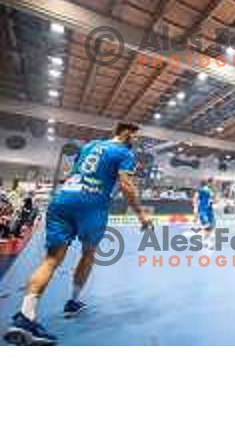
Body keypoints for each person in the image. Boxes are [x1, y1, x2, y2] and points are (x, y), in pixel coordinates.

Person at [4, 122, 152, 346]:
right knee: (89, 253)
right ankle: (73, 302)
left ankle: (25, 316)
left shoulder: (91, 145)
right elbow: (126, 185)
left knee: (51, 260)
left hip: (63, 198)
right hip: (91, 205)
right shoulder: (124, 152)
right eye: (135, 136)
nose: (136, 140)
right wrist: (141, 215)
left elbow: (76, 172)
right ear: (125, 133)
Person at [193, 177, 216, 249]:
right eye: (213, 182)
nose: (214, 184)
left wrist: (214, 203)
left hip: (210, 210)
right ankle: (207, 242)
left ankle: (205, 241)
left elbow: (212, 200)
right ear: (209, 183)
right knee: (207, 226)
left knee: (212, 226)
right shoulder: (201, 190)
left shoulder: (211, 191)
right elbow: (195, 199)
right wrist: (195, 210)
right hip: (203, 210)